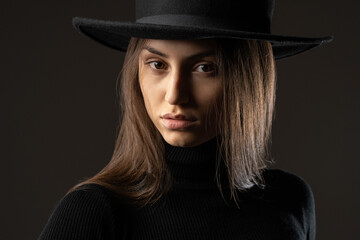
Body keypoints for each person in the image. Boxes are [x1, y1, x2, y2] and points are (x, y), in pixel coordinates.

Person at [39, 0, 333, 239]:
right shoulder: (95, 213)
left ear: (249, 78)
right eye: (157, 64)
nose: (175, 95)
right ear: (136, 72)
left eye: (205, 67)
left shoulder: (291, 202)